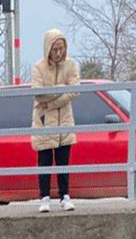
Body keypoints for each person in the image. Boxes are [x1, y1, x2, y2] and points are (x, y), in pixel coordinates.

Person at [31, 29, 80, 214]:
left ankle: (65, 196)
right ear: (48, 49)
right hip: (44, 121)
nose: (58, 53)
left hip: (64, 119)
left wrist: (52, 102)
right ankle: (44, 197)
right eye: (55, 49)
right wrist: (61, 89)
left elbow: (74, 90)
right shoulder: (38, 67)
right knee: (44, 161)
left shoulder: (71, 65)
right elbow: (38, 93)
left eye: (61, 49)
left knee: (63, 161)